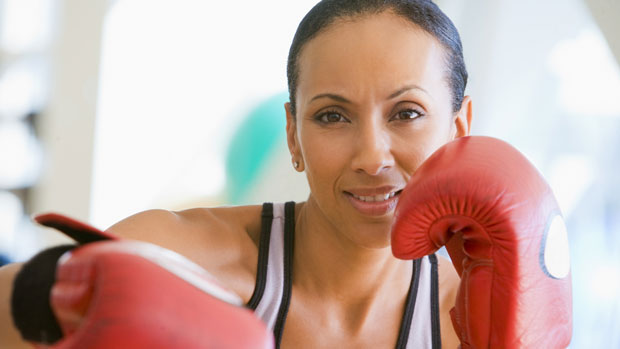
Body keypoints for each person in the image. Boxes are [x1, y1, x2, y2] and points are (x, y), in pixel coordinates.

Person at [0, 0, 471, 347]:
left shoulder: (477, 319)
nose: (372, 157)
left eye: (407, 113)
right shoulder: (183, 258)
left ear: (459, 128)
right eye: (332, 115)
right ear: (292, 135)